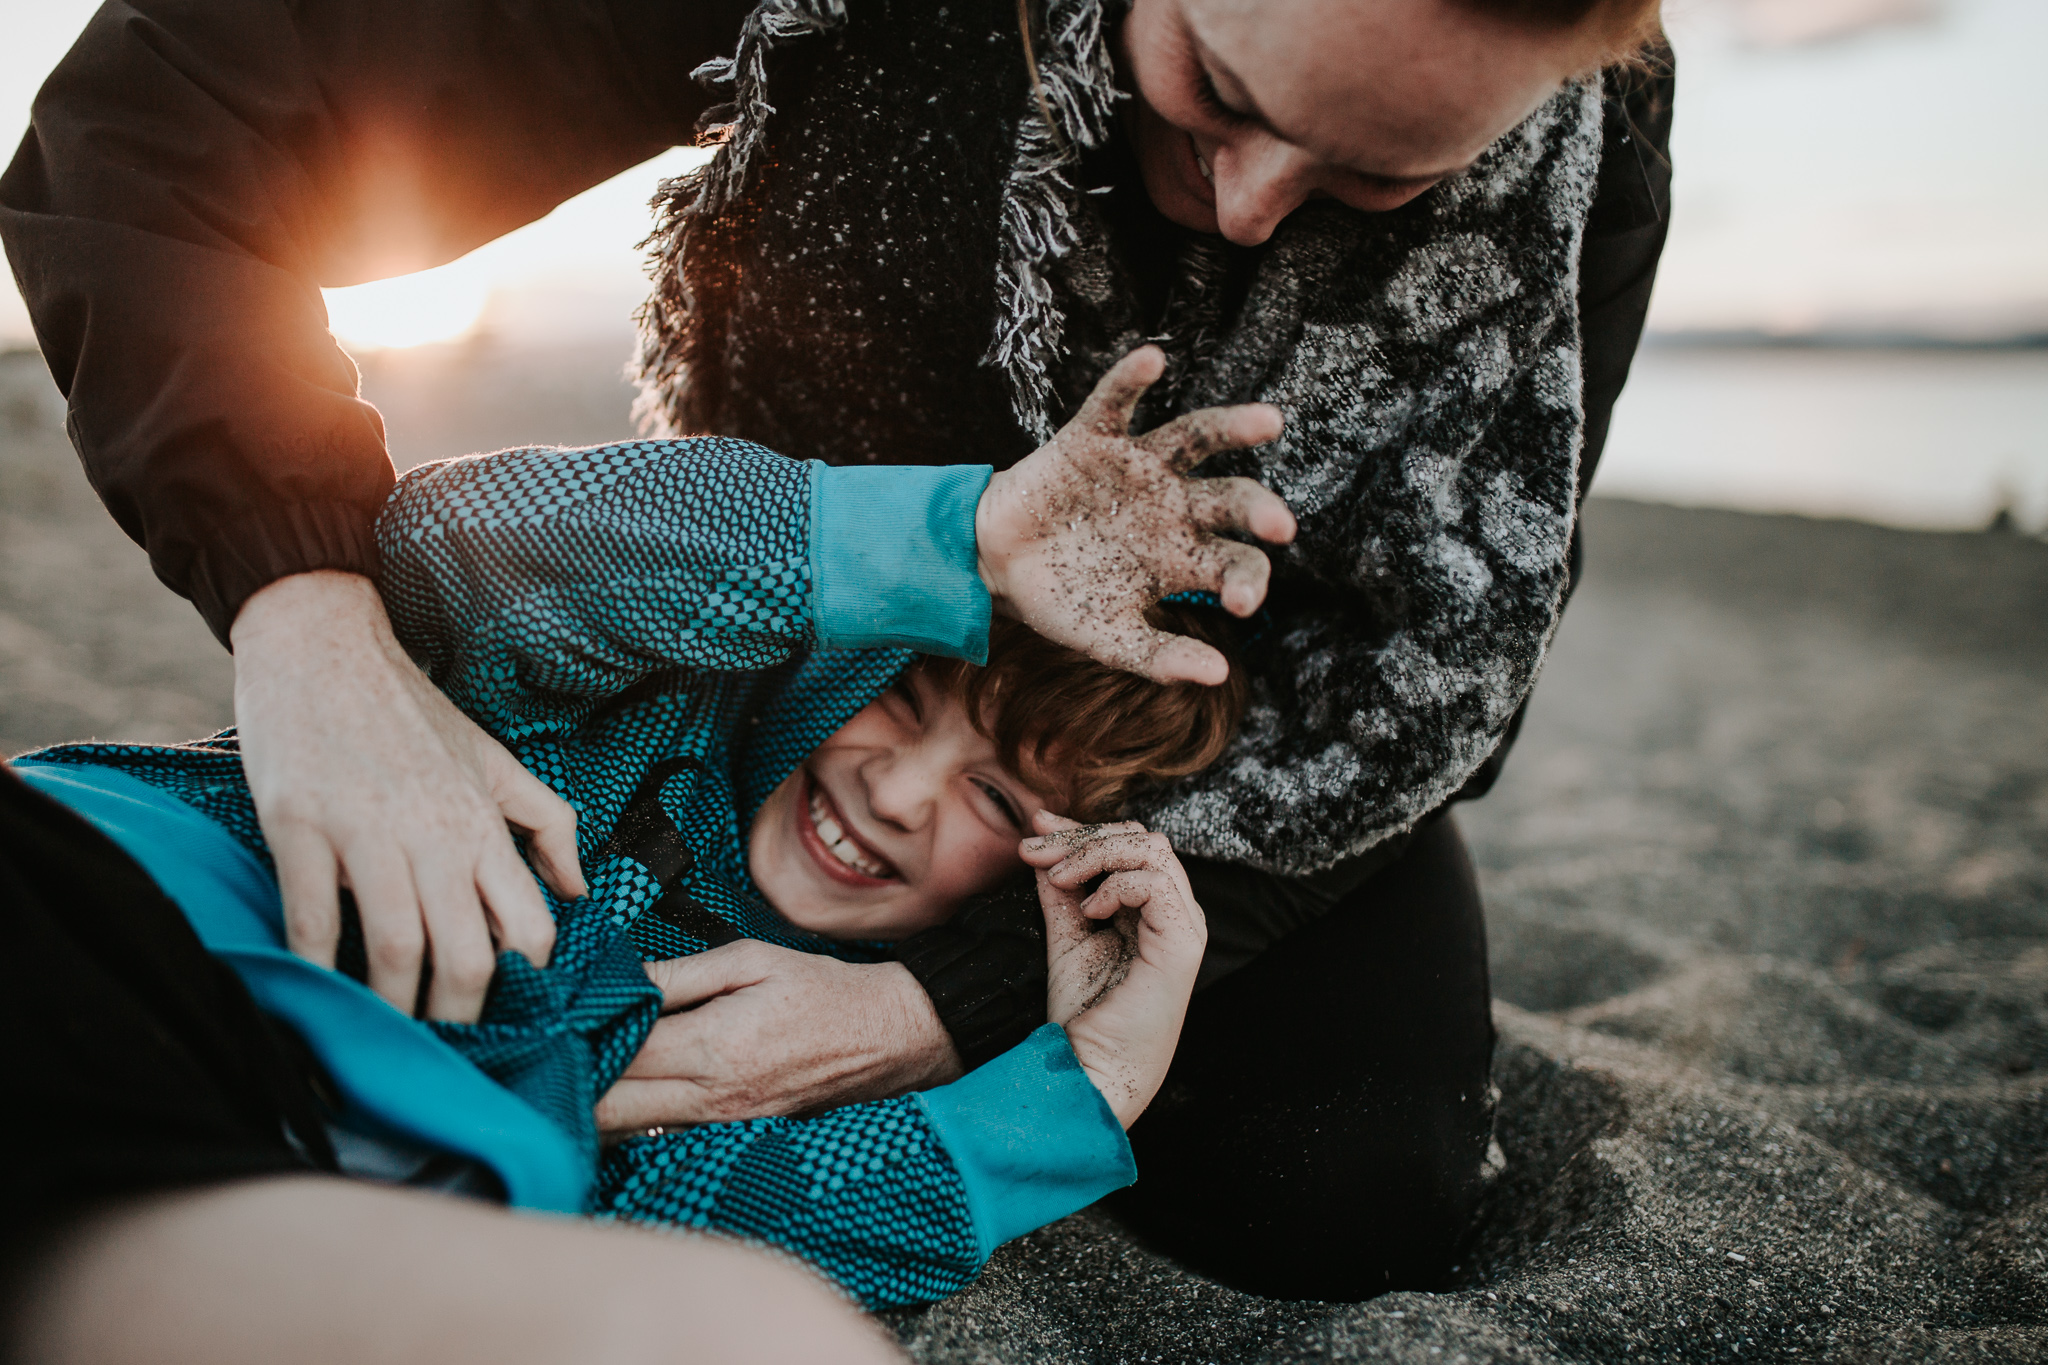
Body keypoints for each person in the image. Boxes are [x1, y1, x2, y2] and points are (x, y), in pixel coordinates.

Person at [1, 0, 1676, 1298]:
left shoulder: (621, 1119)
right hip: (777, 621)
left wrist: (1002, 1031)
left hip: (1204, 747)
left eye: (1378, 180)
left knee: (1339, 1191)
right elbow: (488, 551)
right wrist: (315, 630)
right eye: (1217, 90)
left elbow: (1441, 671)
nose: (1246, 213)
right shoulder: (598, 704)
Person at [5, 354, 1279, 1336]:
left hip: (224, 1175)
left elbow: (709, 1223)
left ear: (1038, 879)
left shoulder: (822, 1052)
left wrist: (1080, 1090)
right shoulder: (624, 692)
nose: (896, 792)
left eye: (997, 802)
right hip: (109, 908)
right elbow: (461, 549)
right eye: (899, 697)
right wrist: (945, 543)